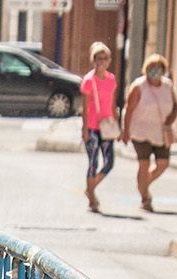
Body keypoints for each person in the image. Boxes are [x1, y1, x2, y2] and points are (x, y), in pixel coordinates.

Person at [122, 52, 177, 212]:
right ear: (146, 69)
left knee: (163, 164)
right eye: (152, 67)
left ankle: (143, 184)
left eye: (159, 68)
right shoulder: (139, 86)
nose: (155, 71)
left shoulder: (168, 85)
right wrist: (125, 131)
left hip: (161, 132)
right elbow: (129, 109)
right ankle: (145, 197)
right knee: (144, 163)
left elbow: (176, 106)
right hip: (140, 131)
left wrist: (170, 120)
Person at [80, 42, 119, 213]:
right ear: (92, 60)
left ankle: (91, 187)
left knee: (109, 162)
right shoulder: (89, 81)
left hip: (107, 126)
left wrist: (118, 125)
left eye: (104, 58)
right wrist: (85, 129)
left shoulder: (111, 80)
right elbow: (85, 107)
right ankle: (92, 199)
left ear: (109, 60)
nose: (101, 62)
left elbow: (113, 104)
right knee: (93, 162)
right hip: (93, 127)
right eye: (98, 58)